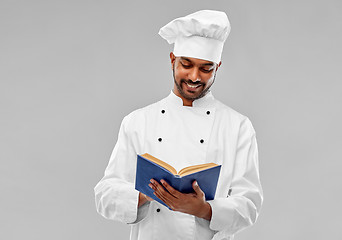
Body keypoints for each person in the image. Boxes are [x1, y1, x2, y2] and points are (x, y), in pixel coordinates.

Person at [94, 10, 263, 240]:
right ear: (173, 60)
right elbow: (104, 195)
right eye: (186, 64)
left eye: (206, 68)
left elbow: (249, 204)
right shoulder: (137, 122)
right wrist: (147, 193)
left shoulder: (238, 127)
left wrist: (204, 210)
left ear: (218, 67)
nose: (195, 76)